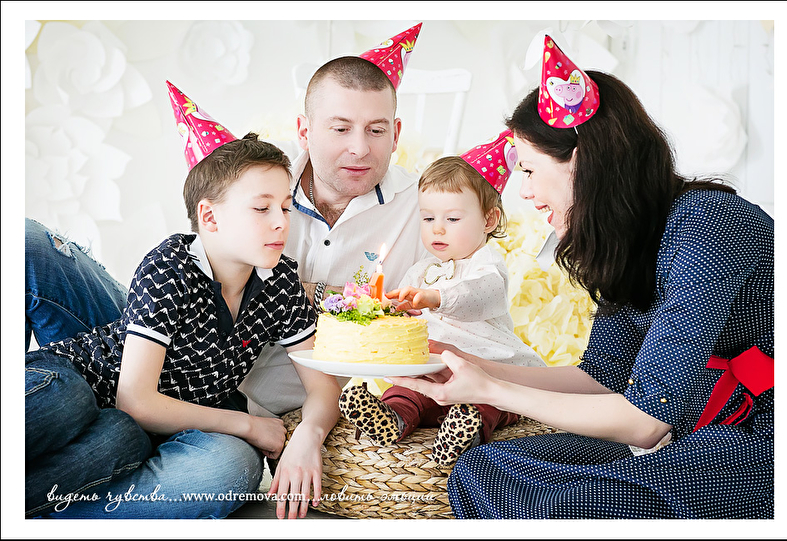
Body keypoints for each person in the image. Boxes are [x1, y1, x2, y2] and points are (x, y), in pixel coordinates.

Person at [388, 35, 774, 519]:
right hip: (693, 425)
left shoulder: (709, 225)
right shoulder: (626, 241)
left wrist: (491, 391)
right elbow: (600, 379)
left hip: (762, 436)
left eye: (530, 170)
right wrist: (467, 363)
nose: (525, 193)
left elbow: (645, 423)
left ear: (581, 161)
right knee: (482, 470)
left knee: (572, 501)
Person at [24, 82, 341, 519]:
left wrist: (309, 434)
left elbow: (323, 387)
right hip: (80, 383)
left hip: (134, 432)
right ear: (209, 216)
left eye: (286, 208)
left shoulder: (280, 281)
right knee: (70, 400)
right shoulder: (170, 266)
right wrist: (249, 425)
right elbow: (136, 400)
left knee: (212, 463)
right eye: (261, 208)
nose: (280, 223)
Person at [238, 23, 429, 417]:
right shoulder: (253, 186)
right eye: (341, 129)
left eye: (376, 130)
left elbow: (459, 315)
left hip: (330, 410)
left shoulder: (425, 206)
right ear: (304, 131)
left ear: (395, 134)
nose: (359, 148)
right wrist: (323, 293)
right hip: (215, 384)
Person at [337, 131, 545, 467]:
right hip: (432, 373)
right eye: (428, 218)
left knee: (489, 401)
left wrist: (435, 298)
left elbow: (480, 295)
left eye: (452, 219)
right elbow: (408, 318)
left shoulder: (486, 264)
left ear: (488, 220)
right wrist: (393, 310)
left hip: (482, 367)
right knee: (407, 390)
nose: (437, 229)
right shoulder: (421, 270)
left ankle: (467, 429)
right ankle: (392, 418)